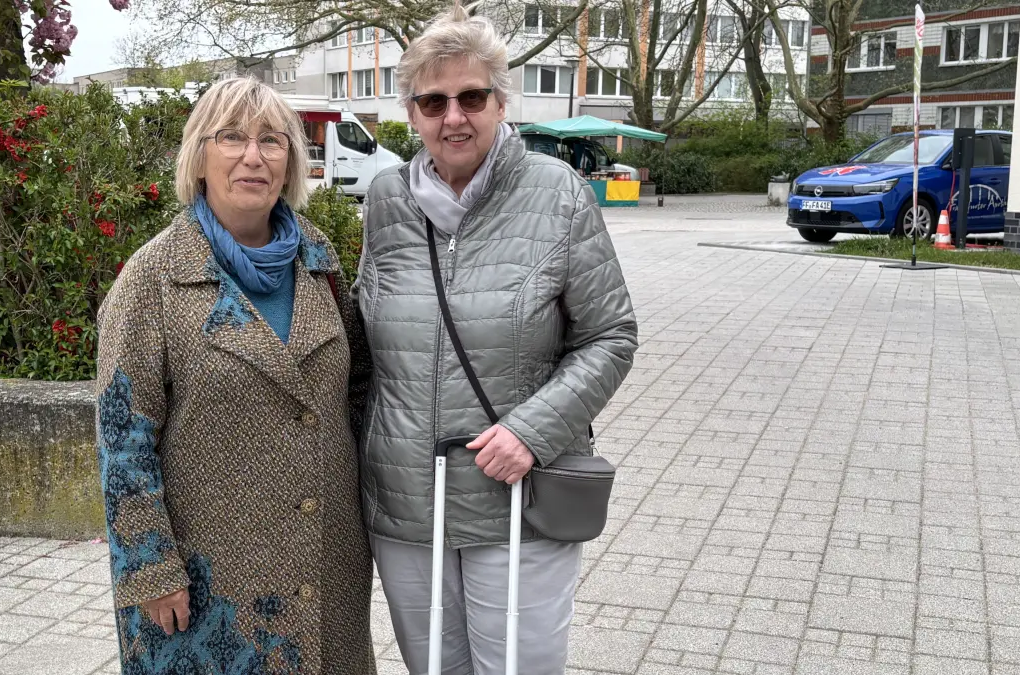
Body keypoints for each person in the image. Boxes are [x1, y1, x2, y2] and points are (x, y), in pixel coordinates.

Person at [355, 5, 638, 674]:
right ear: (412, 112)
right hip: (407, 504)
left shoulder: (559, 194)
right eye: (433, 100)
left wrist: (531, 432)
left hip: (515, 496)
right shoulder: (387, 200)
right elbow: (366, 346)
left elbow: (610, 335)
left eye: (471, 96)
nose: (453, 116)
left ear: (500, 100)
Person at [95, 77, 375, 674]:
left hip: (325, 562)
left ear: (291, 163)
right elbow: (123, 439)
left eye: (273, 141)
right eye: (232, 138)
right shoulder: (154, 278)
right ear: (200, 156)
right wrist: (149, 567)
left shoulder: (318, 259)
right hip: (209, 585)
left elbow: (357, 388)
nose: (254, 156)